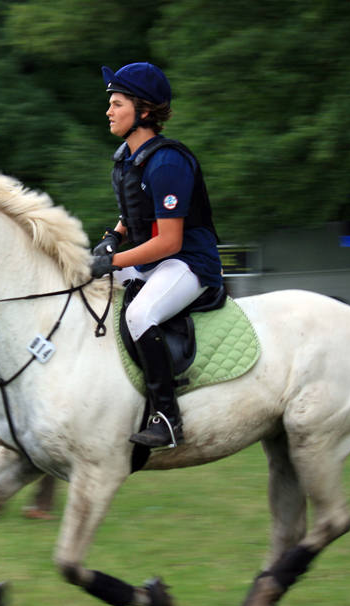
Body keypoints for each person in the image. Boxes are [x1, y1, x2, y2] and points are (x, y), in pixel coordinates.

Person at [91, 63, 223, 451]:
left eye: (117, 104)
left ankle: (167, 418)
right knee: (81, 281)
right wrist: (112, 239)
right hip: (153, 259)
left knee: (138, 314)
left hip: (188, 263)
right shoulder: (129, 158)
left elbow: (168, 241)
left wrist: (114, 262)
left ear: (144, 111)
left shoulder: (167, 162)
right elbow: (134, 212)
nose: (109, 111)